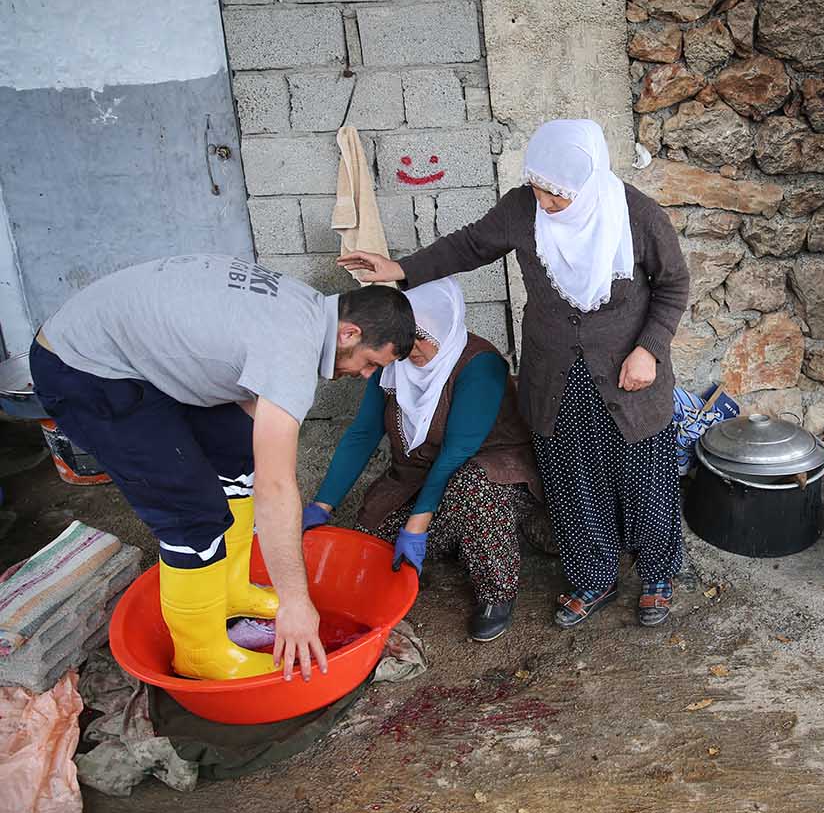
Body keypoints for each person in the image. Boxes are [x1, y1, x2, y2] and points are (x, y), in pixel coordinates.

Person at [339, 119, 690, 629]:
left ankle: (658, 573)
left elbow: (674, 285)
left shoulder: (637, 215)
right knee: (572, 476)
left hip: (629, 376)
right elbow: (470, 245)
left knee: (645, 473)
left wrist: (650, 349)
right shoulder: (522, 208)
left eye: (557, 197)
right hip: (554, 375)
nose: (544, 204)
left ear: (586, 186)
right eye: (538, 189)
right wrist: (401, 269)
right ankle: (594, 576)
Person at [29, 255, 415, 681]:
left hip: (131, 351)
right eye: (371, 363)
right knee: (192, 511)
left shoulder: (305, 307)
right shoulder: (291, 349)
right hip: (83, 366)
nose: (365, 376)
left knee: (237, 447)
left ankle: (230, 591)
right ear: (349, 332)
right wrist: (295, 602)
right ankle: (200, 653)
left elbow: (257, 425)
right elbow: (276, 487)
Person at [302, 278, 546, 642]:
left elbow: (457, 452)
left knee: (471, 488)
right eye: (405, 340)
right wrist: (322, 504)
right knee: (369, 543)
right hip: (419, 478)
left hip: (492, 475)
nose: (413, 349)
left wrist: (417, 524)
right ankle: (461, 543)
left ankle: (497, 590)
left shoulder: (480, 364)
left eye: (422, 337)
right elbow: (362, 434)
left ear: (444, 326)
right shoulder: (391, 365)